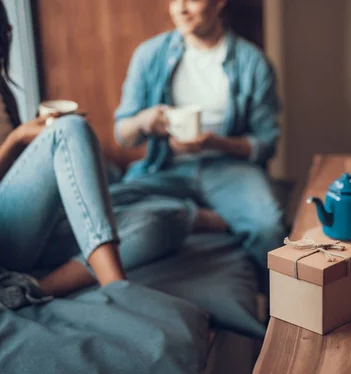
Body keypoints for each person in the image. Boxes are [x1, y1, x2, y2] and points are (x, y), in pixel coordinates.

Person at [0, 0, 196, 315]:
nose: (9, 29)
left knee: (171, 219)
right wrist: (18, 140)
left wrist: (40, 147)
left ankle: (37, 288)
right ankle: (117, 288)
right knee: (71, 130)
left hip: (34, 226)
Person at [115, 0, 286, 269]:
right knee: (109, 207)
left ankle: (274, 308)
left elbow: (266, 145)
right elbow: (124, 136)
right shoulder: (149, 55)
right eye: (174, 0)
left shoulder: (253, 63)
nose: (180, 9)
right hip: (165, 166)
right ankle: (202, 218)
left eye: (191, 0)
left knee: (269, 228)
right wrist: (144, 121)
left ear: (219, 3)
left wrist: (216, 143)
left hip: (230, 169)